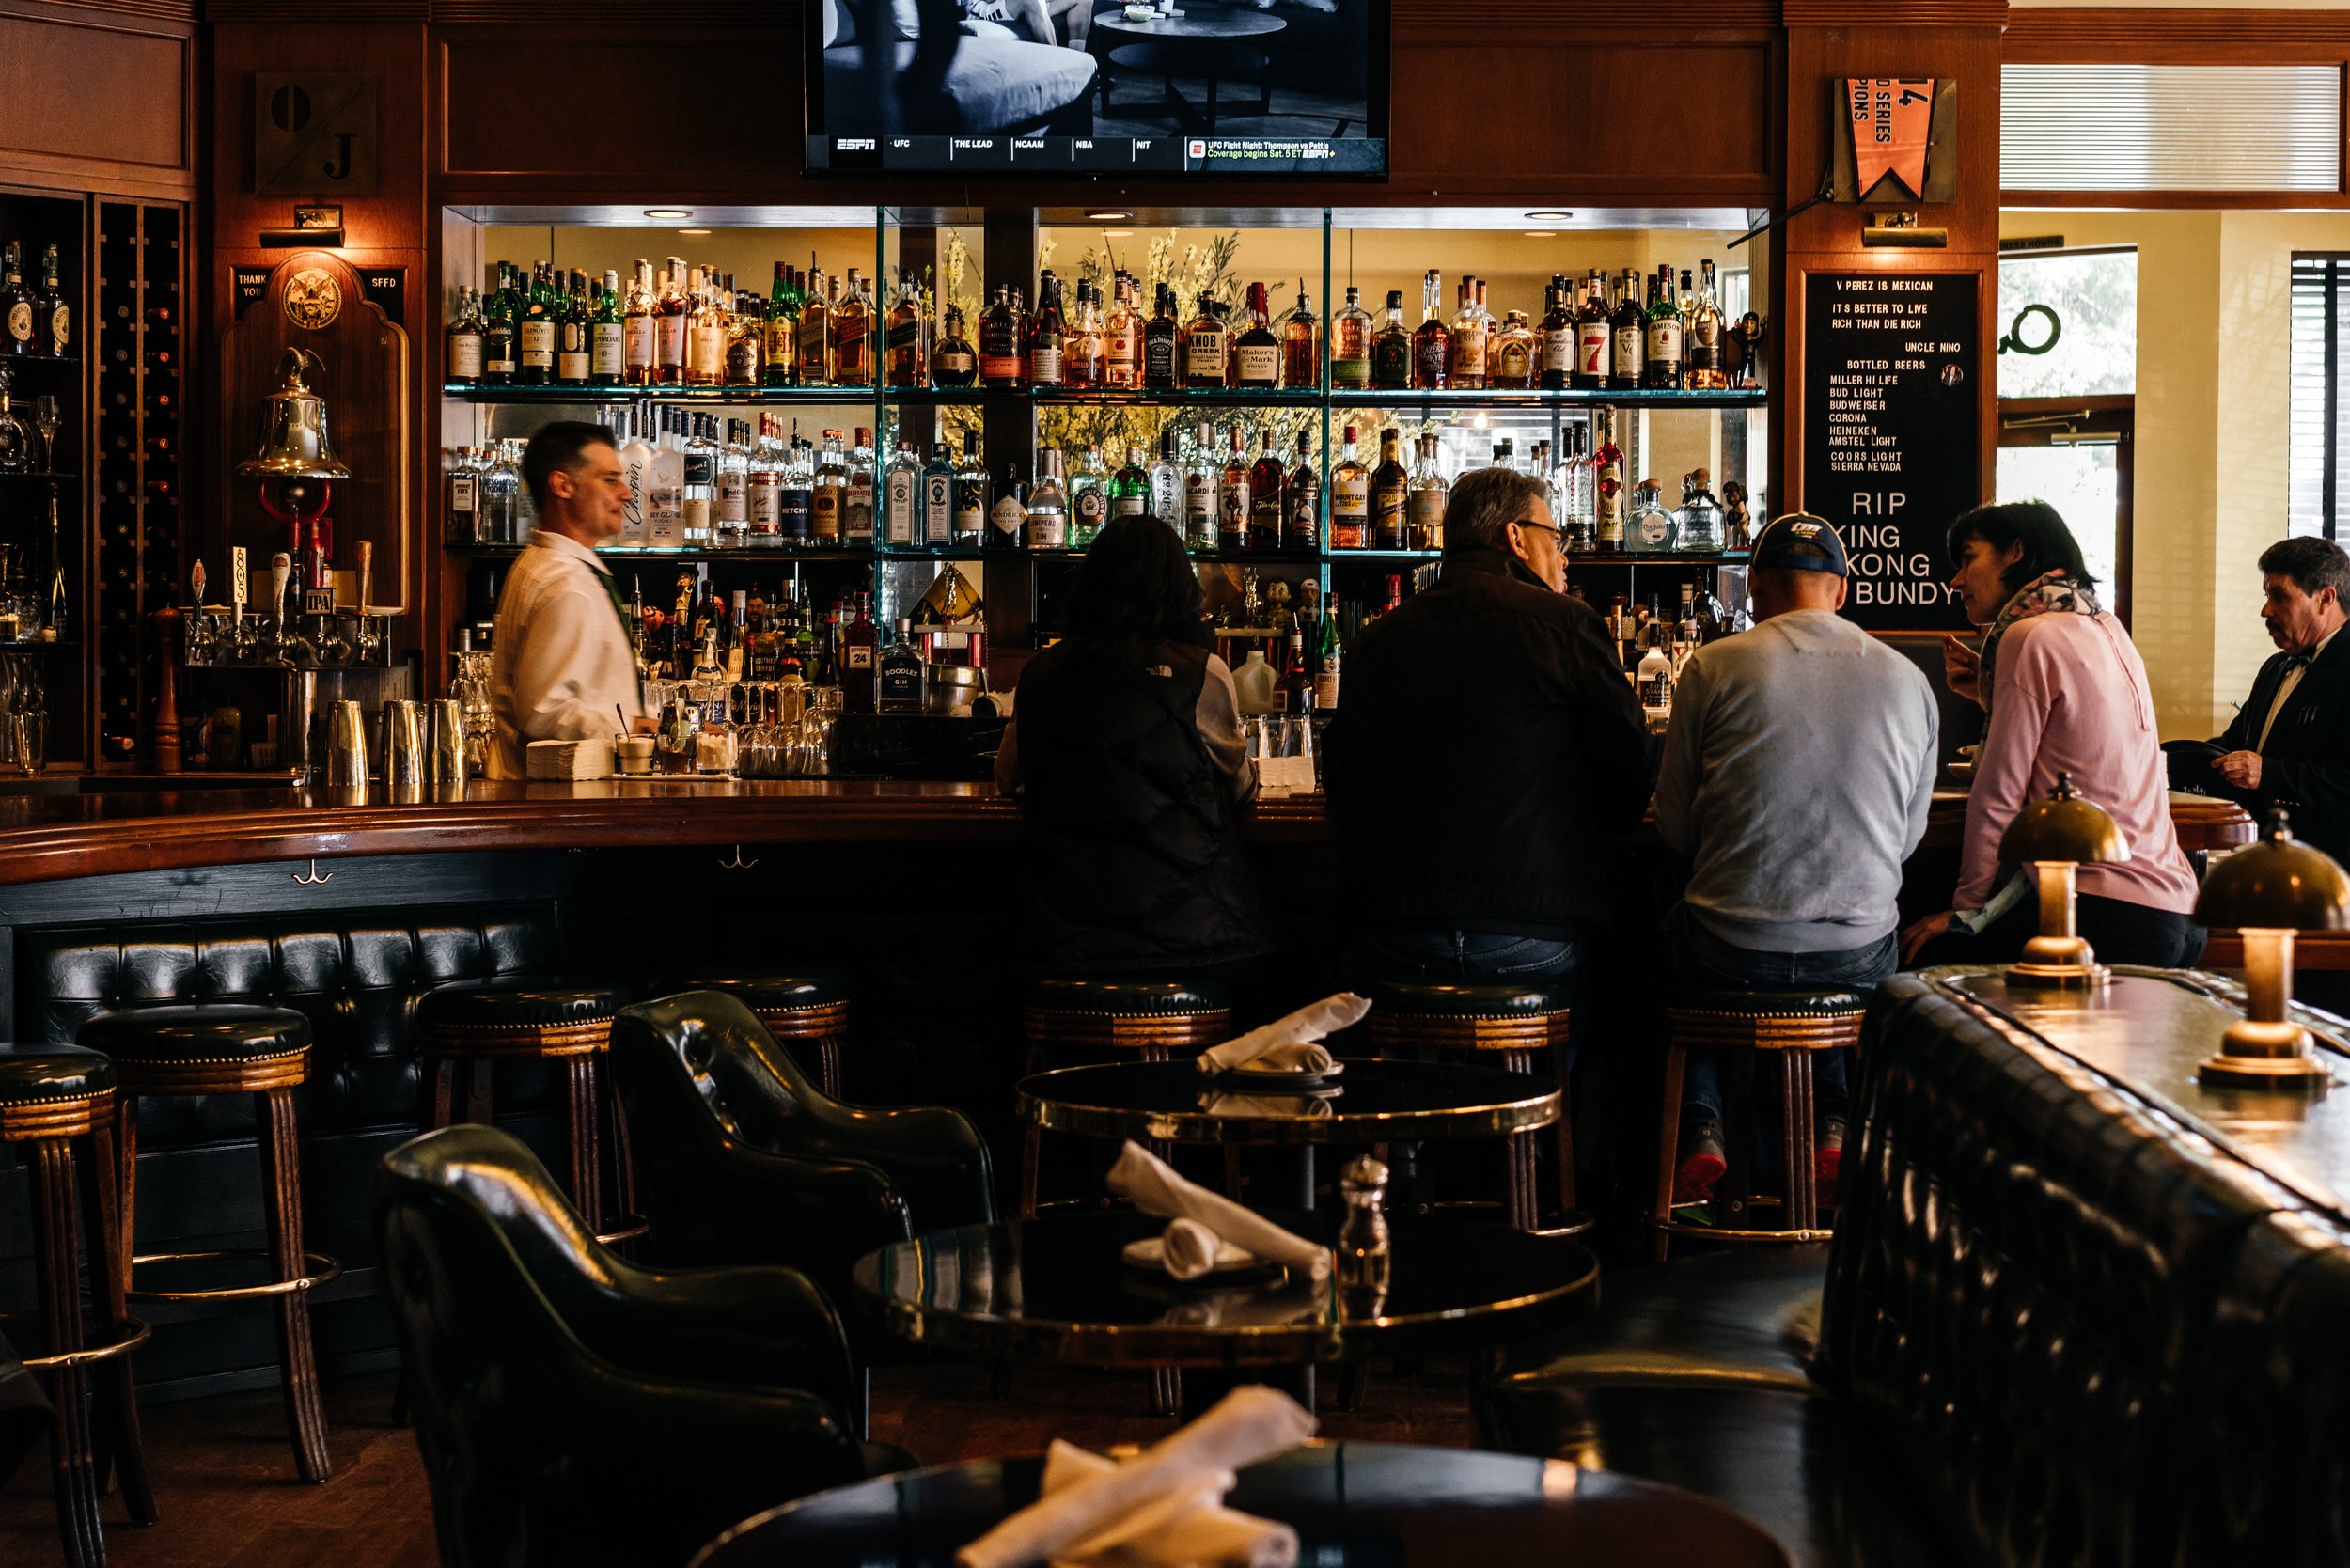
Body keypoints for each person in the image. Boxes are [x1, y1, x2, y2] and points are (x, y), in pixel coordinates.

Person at [1653, 514, 1939, 1205]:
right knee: (1845, 955)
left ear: (1754, 591)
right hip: (1858, 951)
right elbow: (1906, 841)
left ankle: (1699, 1125)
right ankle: (1833, 1122)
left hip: (1730, 948)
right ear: (1841, 593)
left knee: (1664, 942)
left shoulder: (1714, 665)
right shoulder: (1909, 680)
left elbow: (1673, 829)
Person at [1324, 465, 1651, 982]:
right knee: (1613, 999)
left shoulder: (1380, 638)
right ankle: (1547, 1063)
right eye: (1556, 538)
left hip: (1396, 932)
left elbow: (1342, 783)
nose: (1564, 557)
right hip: (1533, 928)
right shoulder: (1567, 625)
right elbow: (1630, 769)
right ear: (1516, 538)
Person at [1902, 500, 2201, 968]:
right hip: (2173, 910)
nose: (1956, 580)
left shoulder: (2029, 636)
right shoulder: (2106, 627)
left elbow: (1999, 793)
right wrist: (1988, 696)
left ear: (2016, 551)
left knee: (1925, 958)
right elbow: (2077, 734)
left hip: (2100, 911)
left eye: (1968, 557)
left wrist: (1966, 912)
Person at [994, 514, 1272, 974]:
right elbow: (1242, 789)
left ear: (1090, 587)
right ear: (1182, 589)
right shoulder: (1201, 672)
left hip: (1063, 940)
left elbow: (1007, 779)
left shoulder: (1041, 673)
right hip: (1188, 940)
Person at [2166, 536, 2350, 868]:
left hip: (2330, 873)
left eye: (2280, 596)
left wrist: (2268, 773)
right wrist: (2166, 763)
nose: (2266, 610)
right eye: (2267, 595)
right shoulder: (2275, 667)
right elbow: (2234, 747)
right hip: (2268, 861)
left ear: (2325, 598)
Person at [487, 422, 647, 780]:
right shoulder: (566, 584)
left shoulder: (548, 565)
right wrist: (638, 729)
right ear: (563, 485)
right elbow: (544, 712)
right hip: (567, 805)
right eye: (609, 479)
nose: (625, 493)